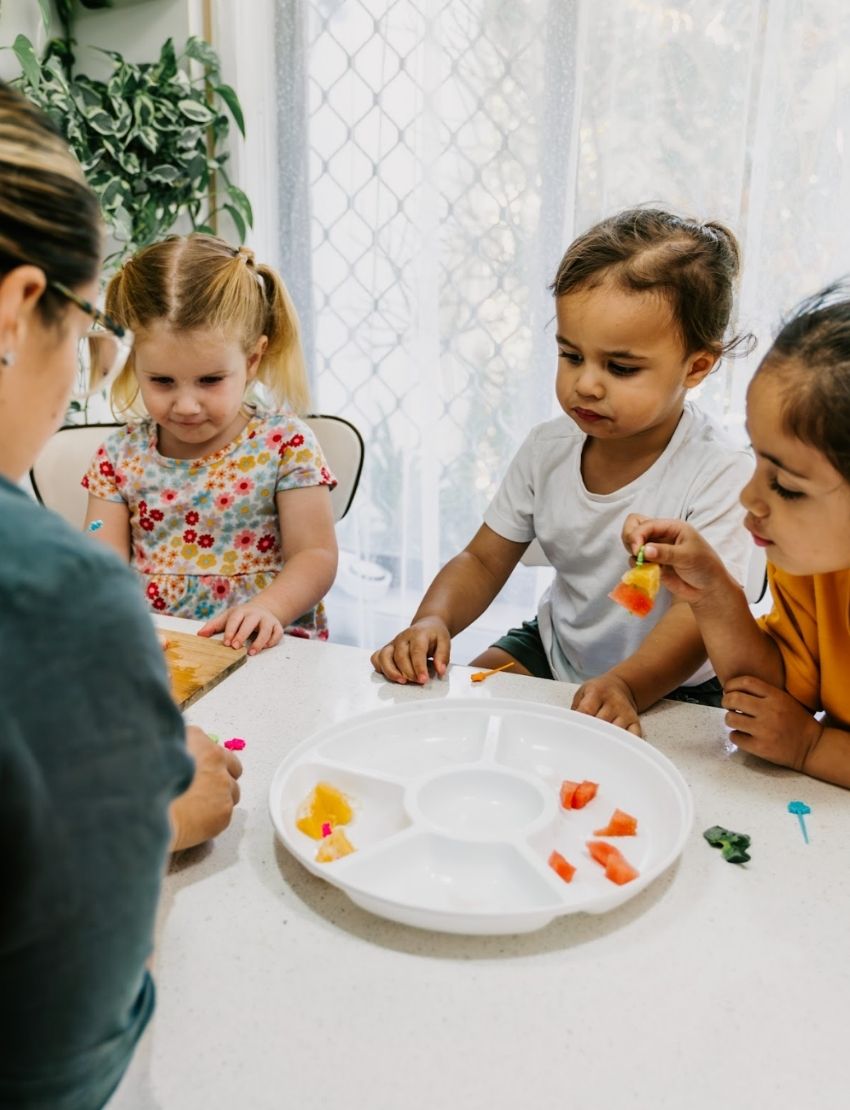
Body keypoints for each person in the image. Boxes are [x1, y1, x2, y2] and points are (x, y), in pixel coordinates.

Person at [0, 83, 241, 1107]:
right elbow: (66, 1053)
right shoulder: (52, 599)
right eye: (94, 333)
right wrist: (156, 808)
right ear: (16, 311)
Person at [371, 207, 755, 735]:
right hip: (554, 650)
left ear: (696, 367)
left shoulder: (721, 474)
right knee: (449, 722)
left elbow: (695, 620)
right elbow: (482, 560)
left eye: (620, 368)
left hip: (678, 681)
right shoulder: (547, 448)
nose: (586, 385)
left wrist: (625, 684)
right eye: (571, 356)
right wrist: (432, 620)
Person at [623, 282, 850, 788]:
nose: (750, 496)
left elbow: (797, 732)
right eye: (757, 459)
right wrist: (712, 592)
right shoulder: (813, 568)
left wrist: (813, 747)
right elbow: (771, 695)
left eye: (786, 486)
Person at [82, 234, 338, 655]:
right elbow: (99, 562)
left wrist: (268, 608)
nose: (185, 405)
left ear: (252, 360)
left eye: (210, 380)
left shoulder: (286, 445)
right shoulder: (117, 458)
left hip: (268, 654)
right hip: (159, 654)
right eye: (162, 381)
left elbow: (315, 555)